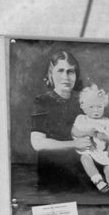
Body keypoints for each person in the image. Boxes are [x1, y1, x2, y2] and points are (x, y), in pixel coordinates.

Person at [28, 49, 92, 193]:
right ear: (51, 74)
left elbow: (97, 127)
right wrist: (74, 144)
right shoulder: (42, 101)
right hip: (53, 172)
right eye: (60, 71)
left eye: (71, 71)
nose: (66, 77)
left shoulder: (83, 100)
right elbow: (37, 143)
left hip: (84, 169)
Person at [71, 84, 109, 196]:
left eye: (99, 107)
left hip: (101, 150)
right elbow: (74, 132)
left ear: (104, 106)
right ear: (83, 107)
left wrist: (105, 137)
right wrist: (86, 132)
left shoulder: (106, 121)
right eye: (91, 107)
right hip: (87, 149)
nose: (96, 110)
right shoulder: (81, 119)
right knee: (85, 158)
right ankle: (97, 180)